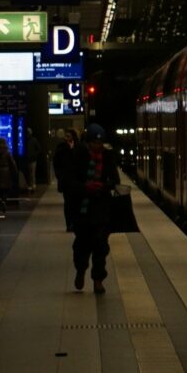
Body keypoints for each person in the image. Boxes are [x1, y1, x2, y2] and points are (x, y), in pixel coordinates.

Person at [70, 124, 120, 294]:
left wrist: (104, 186)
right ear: (87, 143)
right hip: (83, 209)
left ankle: (98, 280)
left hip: (101, 208)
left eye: (100, 143)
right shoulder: (78, 156)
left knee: (101, 246)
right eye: (94, 143)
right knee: (82, 244)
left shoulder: (108, 157)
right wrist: (86, 187)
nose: (97, 146)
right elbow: (69, 181)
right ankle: (81, 269)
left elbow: (115, 180)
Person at [52, 128, 81, 232]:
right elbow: (56, 164)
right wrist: (59, 176)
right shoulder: (61, 148)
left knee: (76, 203)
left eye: (68, 136)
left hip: (77, 180)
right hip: (66, 180)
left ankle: (76, 222)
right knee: (68, 203)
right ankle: (69, 224)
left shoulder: (79, 147)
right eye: (66, 136)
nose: (66, 138)